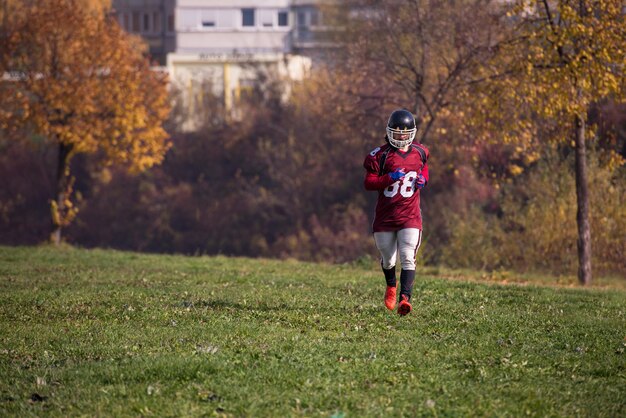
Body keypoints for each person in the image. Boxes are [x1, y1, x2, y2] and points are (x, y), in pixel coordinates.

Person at [363, 109, 430, 316]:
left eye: (404, 133)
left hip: (410, 215)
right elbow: (368, 183)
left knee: (408, 256)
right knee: (389, 259)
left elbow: (424, 168)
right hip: (385, 217)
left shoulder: (420, 151)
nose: (401, 136)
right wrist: (388, 177)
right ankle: (391, 285)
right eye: (397, 132)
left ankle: (405, 299)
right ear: (389, 132)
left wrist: (423, 180)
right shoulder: (379, 156)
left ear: (412, 132)